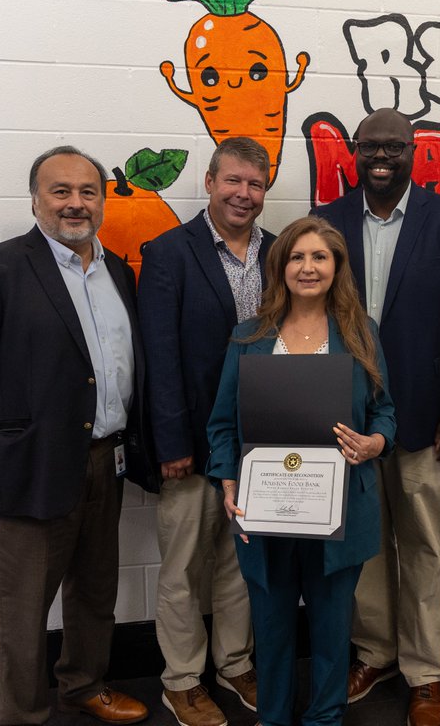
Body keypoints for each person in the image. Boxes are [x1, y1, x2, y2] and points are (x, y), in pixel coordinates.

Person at [0, 146, 150, 725]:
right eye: (61, 191)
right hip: (27, 465)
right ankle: (22, 715)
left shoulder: (118, 271)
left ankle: (83, 683)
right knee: (22, 607)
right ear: (35, 199)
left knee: (95, 590)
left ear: (103, 200)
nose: (76, 203)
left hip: (107, 459)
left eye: (87, 192)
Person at [315, 108, 440, 726]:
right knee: (363, 546)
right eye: (371, 146)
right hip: (349, 423)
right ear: (354, 152)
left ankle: (425, 672)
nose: (381, 156)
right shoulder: (326, 222)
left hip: (424, 419)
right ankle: (377, 651)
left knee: (422, 547)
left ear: (416, 153)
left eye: (395, 146)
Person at [205, 217, 396, 726]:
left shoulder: (359, 333)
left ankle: (325, 718)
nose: (308, 267)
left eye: (319, 257)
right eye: (297, 257)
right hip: (264, 507)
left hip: (339, 507)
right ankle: (273, 717)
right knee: (271, 627)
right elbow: (223, 423)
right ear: (280, 266)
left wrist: (375, 442)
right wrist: (227, 479)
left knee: (333, 629)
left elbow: (385, 412)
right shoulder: (249, 337)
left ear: (337, 268)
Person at [136, 137, 273, 725]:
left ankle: (235, 664)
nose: (244, 194)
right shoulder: (169, 252)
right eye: (233, 181)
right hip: (190, 443)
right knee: (184, 567)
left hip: (262, 440)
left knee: (243, 561)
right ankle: (182, 679)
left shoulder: (283, 251)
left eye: (256, 184)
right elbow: (158, 355)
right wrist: (170, 443)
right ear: (210, 182)